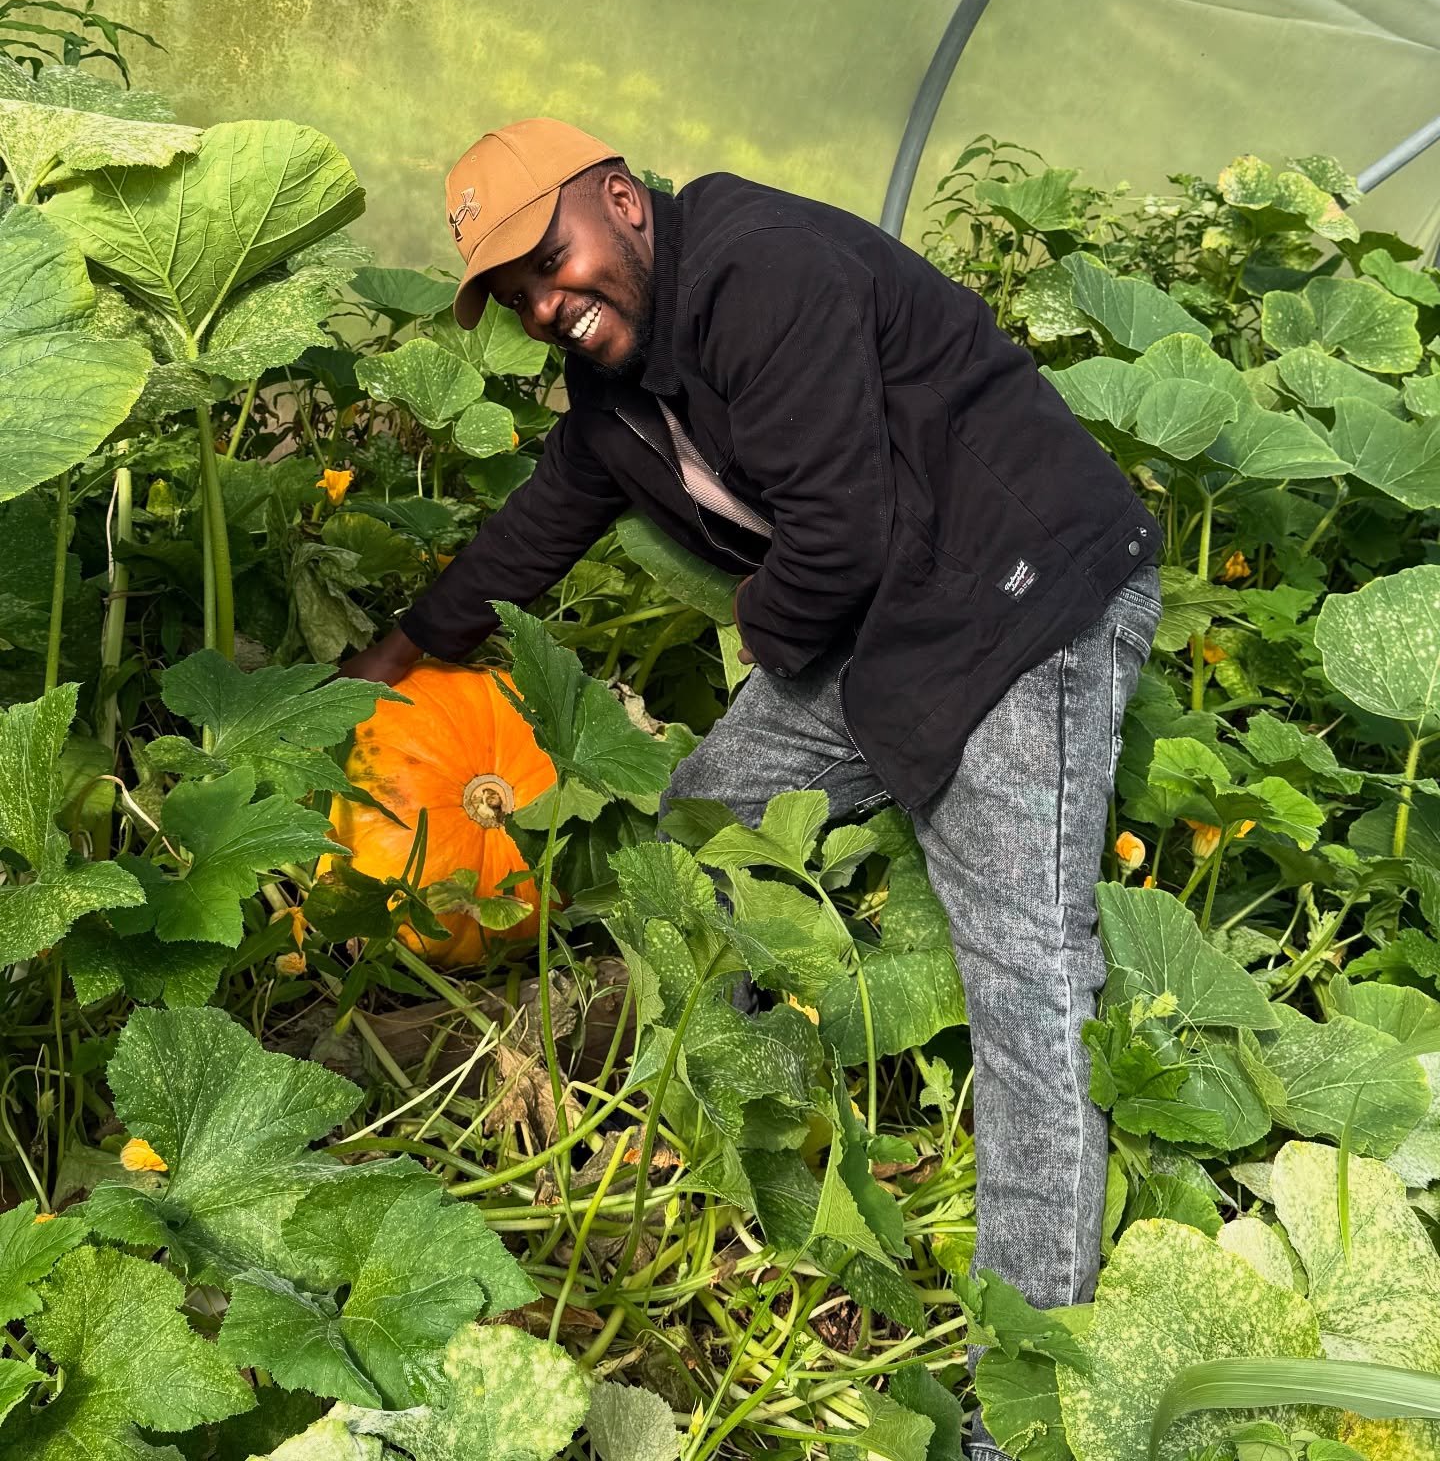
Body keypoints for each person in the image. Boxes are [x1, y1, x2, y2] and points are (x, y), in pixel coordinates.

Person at [343, 117, 1161, 1457]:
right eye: (519, 294)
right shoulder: (620, 394)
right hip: (890, 624)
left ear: (622, 200)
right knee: (701, 829)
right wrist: (412, 642)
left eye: (552, 257)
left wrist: (758, 647)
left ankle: (1023, 1407)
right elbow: (545, 515)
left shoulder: (759, 268)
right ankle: (738, 1113)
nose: (549, 302)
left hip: (1023, 599)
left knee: (1022, 975)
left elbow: (841, 532)